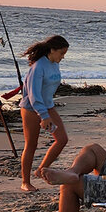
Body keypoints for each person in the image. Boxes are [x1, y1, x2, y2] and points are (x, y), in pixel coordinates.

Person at [19, 35, 70, 192]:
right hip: (31, 109)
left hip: (48, 106)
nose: (63, 57)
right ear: (52, 50)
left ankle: (41, 170)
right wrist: (44, 116)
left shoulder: (54, 64)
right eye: (61, 53)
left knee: (62, 139)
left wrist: (47, 111)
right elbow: (34, 95)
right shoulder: (38, 67)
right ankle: (25, 182)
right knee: (31, 145)